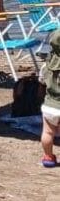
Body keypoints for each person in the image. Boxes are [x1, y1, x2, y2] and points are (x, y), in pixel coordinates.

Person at [40, 29, 60, 168]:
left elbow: (41, 79)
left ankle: (48, 157)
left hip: (50, 106)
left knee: (47, 132)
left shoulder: (48, 64)